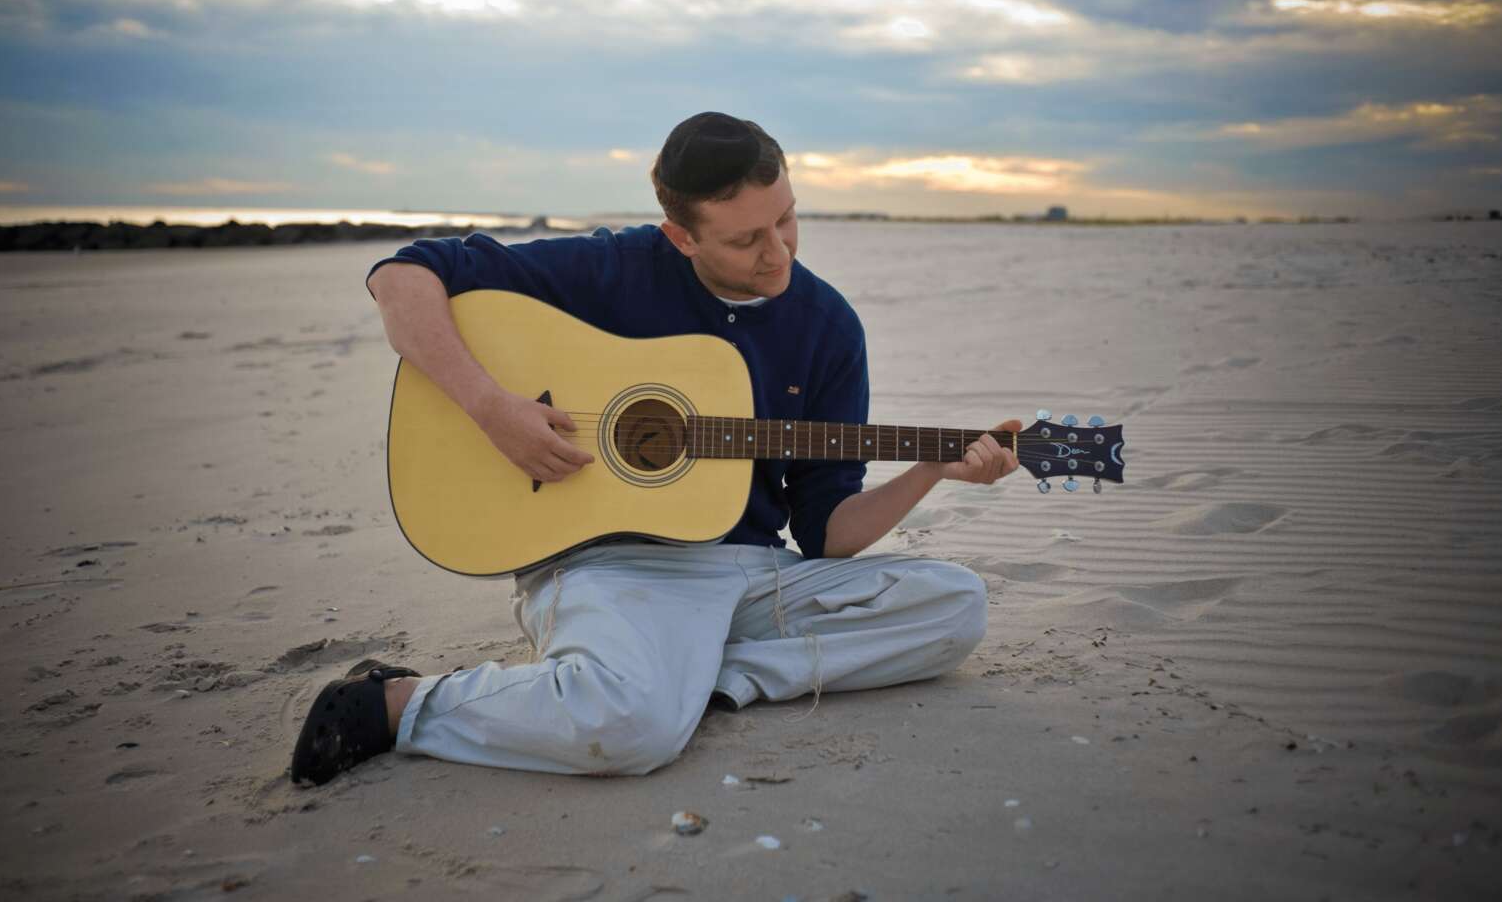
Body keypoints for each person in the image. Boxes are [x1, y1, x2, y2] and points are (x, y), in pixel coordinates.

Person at [290, 111, 1020, 784]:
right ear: (682, 237)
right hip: (607, 563)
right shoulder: (614, 268)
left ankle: (690, 677)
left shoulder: (827, 325)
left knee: (955, 606)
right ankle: (399, 705)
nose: (778, 253)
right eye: (746, 240)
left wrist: (930, 469)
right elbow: (401, 276)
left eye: (786, 219)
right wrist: (491, 408)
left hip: (750, 575)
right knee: (629, 730)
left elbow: (827, 535)